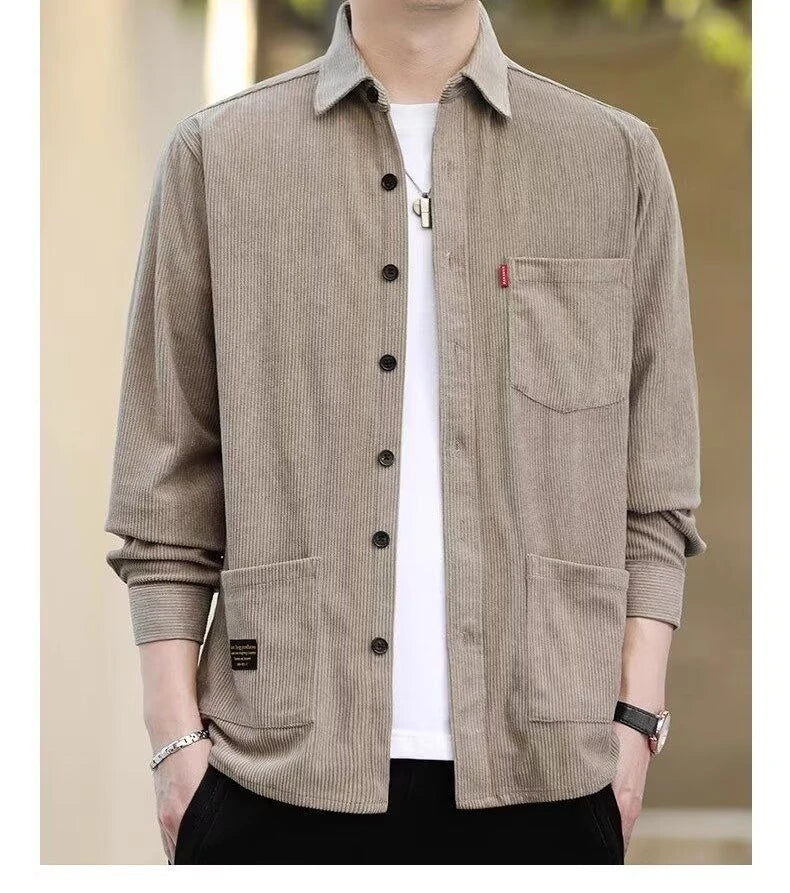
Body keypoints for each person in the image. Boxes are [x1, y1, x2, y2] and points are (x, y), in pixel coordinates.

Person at [105, 0, 705, 865]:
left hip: (550, 777)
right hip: (270, 773)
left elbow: (654, 490)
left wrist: (636, 724)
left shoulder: (612, 160)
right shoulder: (219, 158)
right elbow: (165, 481)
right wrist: (175, 748)